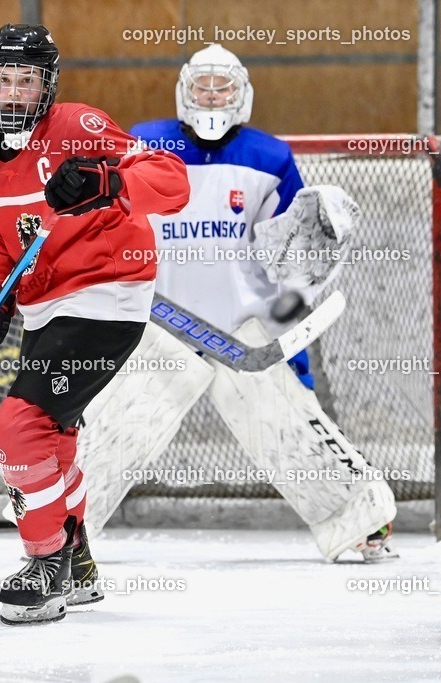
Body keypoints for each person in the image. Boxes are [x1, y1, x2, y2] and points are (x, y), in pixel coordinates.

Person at [79, 43, 397, 563]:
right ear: (185, 90)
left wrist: (296, 295)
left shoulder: (270, 157)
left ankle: (362, 522)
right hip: (161, 324)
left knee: (288, 422)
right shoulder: (141, 144)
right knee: (119, 426)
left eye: (221, 86)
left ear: (242, 93)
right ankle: (60, 528)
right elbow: (106, 220)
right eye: (202, 85)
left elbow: (291, 244)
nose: (211, 95)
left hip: (243, 331)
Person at [0, 24, 190, 625]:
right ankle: (77, 560)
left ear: (47, 86)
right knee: (52, 438)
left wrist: (110, 182)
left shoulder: (78, 127)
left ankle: (46, 559)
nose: (12, 92)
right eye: (3, 79)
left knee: (17, 425)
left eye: (26, 81)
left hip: (107, 296)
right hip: (46, 309)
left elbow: (172, 180)